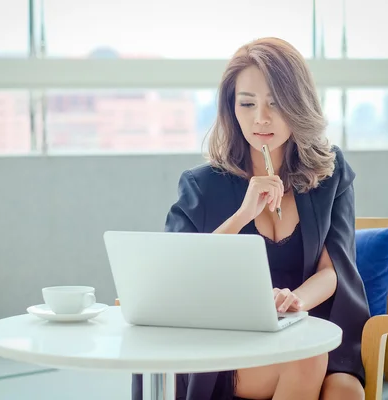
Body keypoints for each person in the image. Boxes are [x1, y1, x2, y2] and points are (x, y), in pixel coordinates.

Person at [132, 37, 370, 400]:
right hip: (231, 347)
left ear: (298, 103)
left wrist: (294, 303)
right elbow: (175, 275)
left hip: (313, 328)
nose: (261, 118)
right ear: (232, 108)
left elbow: (333, 268)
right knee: (305, 361)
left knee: (345, 390)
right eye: (247, 103)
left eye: (276, 103)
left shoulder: (330, 174)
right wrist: (243, 214)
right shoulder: (201, 185)